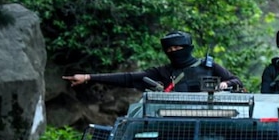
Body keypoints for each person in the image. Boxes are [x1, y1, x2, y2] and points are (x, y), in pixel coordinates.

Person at [63, 31, 243, 92]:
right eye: (169, 50)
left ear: (187, 48)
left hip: (213, 117)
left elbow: (237, 82)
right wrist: (88, 77)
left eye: (178, 49)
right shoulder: (163, 72)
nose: (174, 52)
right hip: (173, 120)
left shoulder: (208, 66)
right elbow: (128, 78)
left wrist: (224, 85)